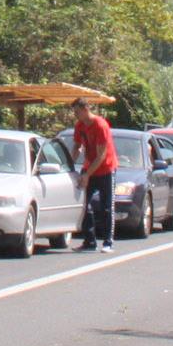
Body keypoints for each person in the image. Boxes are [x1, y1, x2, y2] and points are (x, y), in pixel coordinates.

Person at [70, 97, 116, 253]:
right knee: (84, 204)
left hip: (105, 169)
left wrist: (87, 175)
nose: (75, 115)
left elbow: (101, 155)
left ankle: (108, 242)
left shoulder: (100, 125)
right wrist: (69, 166)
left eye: (77, 111)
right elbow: (76, 148)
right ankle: (90, 241)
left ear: (85, 109)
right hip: (89, 167)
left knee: (106, 207)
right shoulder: (79, 126)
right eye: (74, 112)